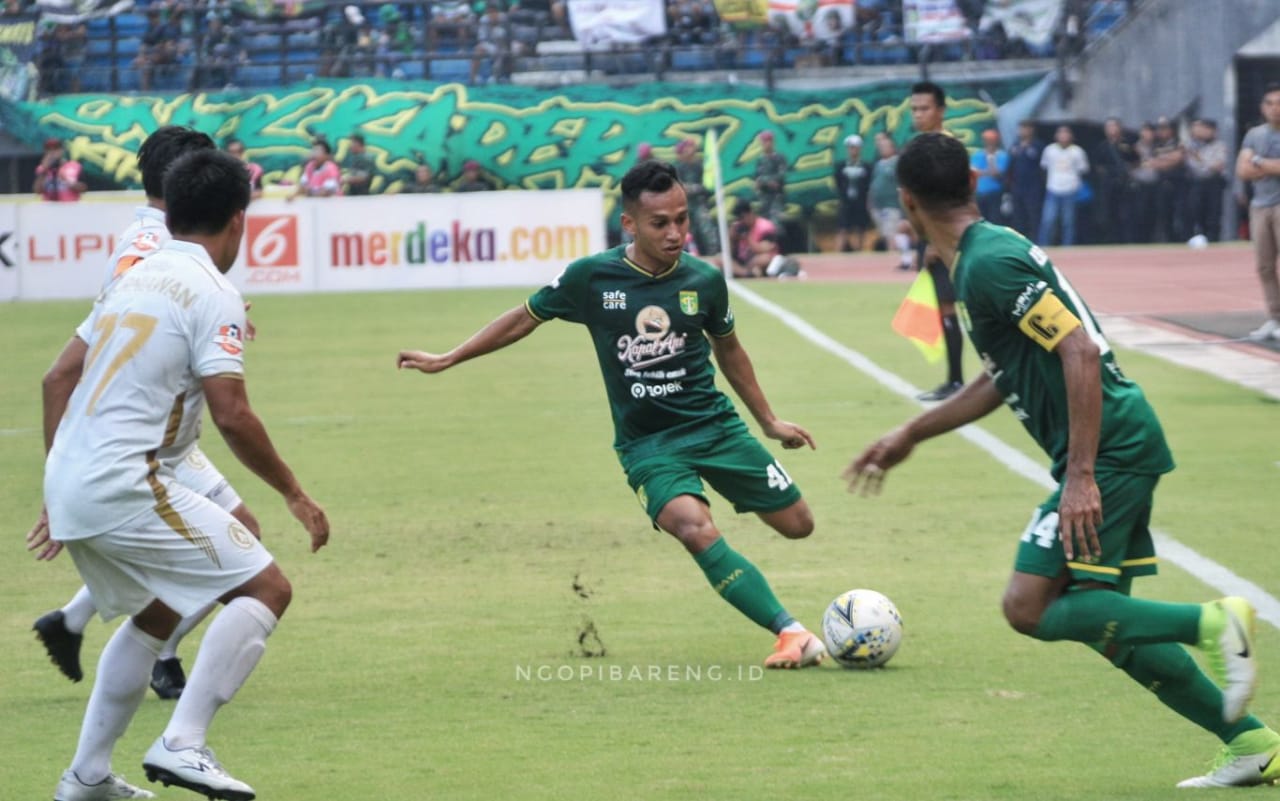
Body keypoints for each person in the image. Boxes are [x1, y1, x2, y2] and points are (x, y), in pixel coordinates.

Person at [846, 132, 1280, 790]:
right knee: (1107, 620)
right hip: (1112, 442)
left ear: (906, 201)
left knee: (1030, 605)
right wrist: (914, 431)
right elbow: (1004, 375)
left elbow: (1077, 349)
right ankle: (1251, 741)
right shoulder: (984, 255)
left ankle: (1215, 621)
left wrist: (1079, 475)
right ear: (971, 179)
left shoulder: (987, 261)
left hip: (1111, 447)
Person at [397, 160, 824, 669]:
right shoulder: (592, 278)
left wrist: (769, 421)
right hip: (649, 447)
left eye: (682, 220)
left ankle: (753, 561)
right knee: (695, 529)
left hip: (716, 427)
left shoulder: (704, 281)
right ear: (629, 224)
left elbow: (729, 349)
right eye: (659, 223)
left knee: (799, 525)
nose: (675, 233)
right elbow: (522, 319)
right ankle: (791, 632)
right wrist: (450, 357)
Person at [42, 148, 329, 801]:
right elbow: (232, 414)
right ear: (238, 220)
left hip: (72, 479)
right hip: (126, 482)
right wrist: (295, 492)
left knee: (161, 606)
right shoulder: (215, 291)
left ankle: (86, 776)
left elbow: (57, 375)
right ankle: (183, 742)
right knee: (266, 585)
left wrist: (54, 486)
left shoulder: (132, 278)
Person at [29, 127, 266, 706]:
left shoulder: (153, 236)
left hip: (154, 427)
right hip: (142, 429)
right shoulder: (153, 247)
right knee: (242, 551)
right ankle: (161, 661)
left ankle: (74, 622)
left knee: (226, 539)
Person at [908, 80, 964, 401]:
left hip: (942, 241)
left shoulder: (944, 148)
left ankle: (956, 381)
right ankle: (955, 379)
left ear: (940, 110)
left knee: (949, 307)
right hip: (930, 239)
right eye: (914, 109)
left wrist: (933, 241)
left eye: (924, 108)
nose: (918, 114)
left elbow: (948, 200)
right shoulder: (924, 145)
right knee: (946, 309)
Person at [1236, 82, 1280, 342]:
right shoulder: (1254, 134)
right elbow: (1242, 170)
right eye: (1271, 104)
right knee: (1264, 266)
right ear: (1263, 108)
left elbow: (1252, 165)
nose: (1276, 109)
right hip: (1260, 206)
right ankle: (1274, 317)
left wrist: (1259, 162)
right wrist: (1269, 165)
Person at [867, 132, 913, 271]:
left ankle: (901, 261)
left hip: (892, 204)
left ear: (892, 146)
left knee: (893, 234)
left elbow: (904, 182)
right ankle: (904, 259)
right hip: (878, 205)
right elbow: (874, 183)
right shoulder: (879, 163)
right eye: (880, 146)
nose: (882, 149)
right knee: (887, 234)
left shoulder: (897, 162)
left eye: (885, 146)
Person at [1037, 124, 1089, 247]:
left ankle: (1068, 246)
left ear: (1071, 136)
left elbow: (1084, 170)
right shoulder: (1049, 150)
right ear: (1056, 136)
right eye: (1061, 133)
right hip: (1053, 189)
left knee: (1068, 222)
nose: (1063, 136)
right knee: (1048, 220)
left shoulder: (1077, 151)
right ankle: (1044, 245)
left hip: (1070, 189)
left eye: (1066, 133)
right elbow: (1043, 168)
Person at [1183, 118, 1227, 244]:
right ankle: (1198, 239)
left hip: (1214, 183)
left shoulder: (1219, 145)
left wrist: (1200, 159)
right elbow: (1191, 165)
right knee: (1196, 212)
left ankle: (1214, 240)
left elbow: (1218, 166)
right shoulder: (1192, 145)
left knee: (1213, 214)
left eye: (1203, 128)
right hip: (1196, 183)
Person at [673, 137, 719, 259]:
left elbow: (708, 187)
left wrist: (692, 188)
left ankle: (713, 256)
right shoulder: (678, 169)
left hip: (699, 204)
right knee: (687, 233)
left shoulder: (701, 166)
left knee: (707, 229)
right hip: (684, 206)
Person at [833, 134, 872, 252]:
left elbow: (869, 184)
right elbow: (838, 182)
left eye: (855, 147)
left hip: (861, 201)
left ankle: (859, 250)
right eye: (851, 147)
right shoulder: (840, 166)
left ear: (860, 149)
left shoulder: (867, 167)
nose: (853, 150)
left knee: (860, 228)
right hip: (846, 202)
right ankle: (838, 252)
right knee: (842, 227)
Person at [1006, 119, 1044, 241]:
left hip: (1033, 187)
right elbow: (1010, 166)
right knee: (1018, 215)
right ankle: (1019, 240)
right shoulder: (1015, 146)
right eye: (1022, 128)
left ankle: (1035, 240)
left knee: (1033, 215)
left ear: (1032, 130)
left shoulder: (1038, 146)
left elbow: (1043, 167)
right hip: (1017, 187)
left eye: (1026, 128)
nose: (1023, 131)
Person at [970, 129, 1008, 226]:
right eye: (986, 140)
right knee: (980, 220)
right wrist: (988, 172)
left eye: (991, 140)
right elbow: (974, 172)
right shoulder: (977, 155)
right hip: (979, 193)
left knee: (995, 219)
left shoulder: (1002, 155)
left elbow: (998, 173)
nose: (989, 142)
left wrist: (990, 160)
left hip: (994, 193)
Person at [752, 130, 788, 225]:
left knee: (776, 224)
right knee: (765, 224)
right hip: (764, 199)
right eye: (764, 141)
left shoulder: (779, 158)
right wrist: (763, 182)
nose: (766, 144)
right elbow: (757, 178)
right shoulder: (760, 160)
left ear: (772, 142)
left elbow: (781, 175)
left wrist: (766, 181)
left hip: (776, 198)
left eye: (768, 141)